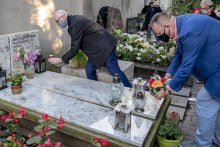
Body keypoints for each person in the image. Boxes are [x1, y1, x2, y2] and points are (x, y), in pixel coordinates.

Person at [150, 13, 220, 147]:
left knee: (205, 99)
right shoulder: (183, 24)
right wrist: (168, 75)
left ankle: (201, 144)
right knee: (216, 102)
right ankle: (217, 139)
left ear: (167, 26)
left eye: (160, 33)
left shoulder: (190, 30)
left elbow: (186, 66)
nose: (160, 37)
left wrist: (167, 90)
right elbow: (179, 53)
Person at [48, 10, 132, 88]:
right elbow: (82, 38)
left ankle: (130, 92)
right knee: (89, 69)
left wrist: (60, 59)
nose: (57, 24)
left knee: (115, 71)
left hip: (105, 47)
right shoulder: (74, 21)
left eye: (57, 21)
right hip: (97, 50)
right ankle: (94, 89)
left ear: (63, 17)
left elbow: (74, 50)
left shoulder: (75, 23)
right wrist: (75, 46)